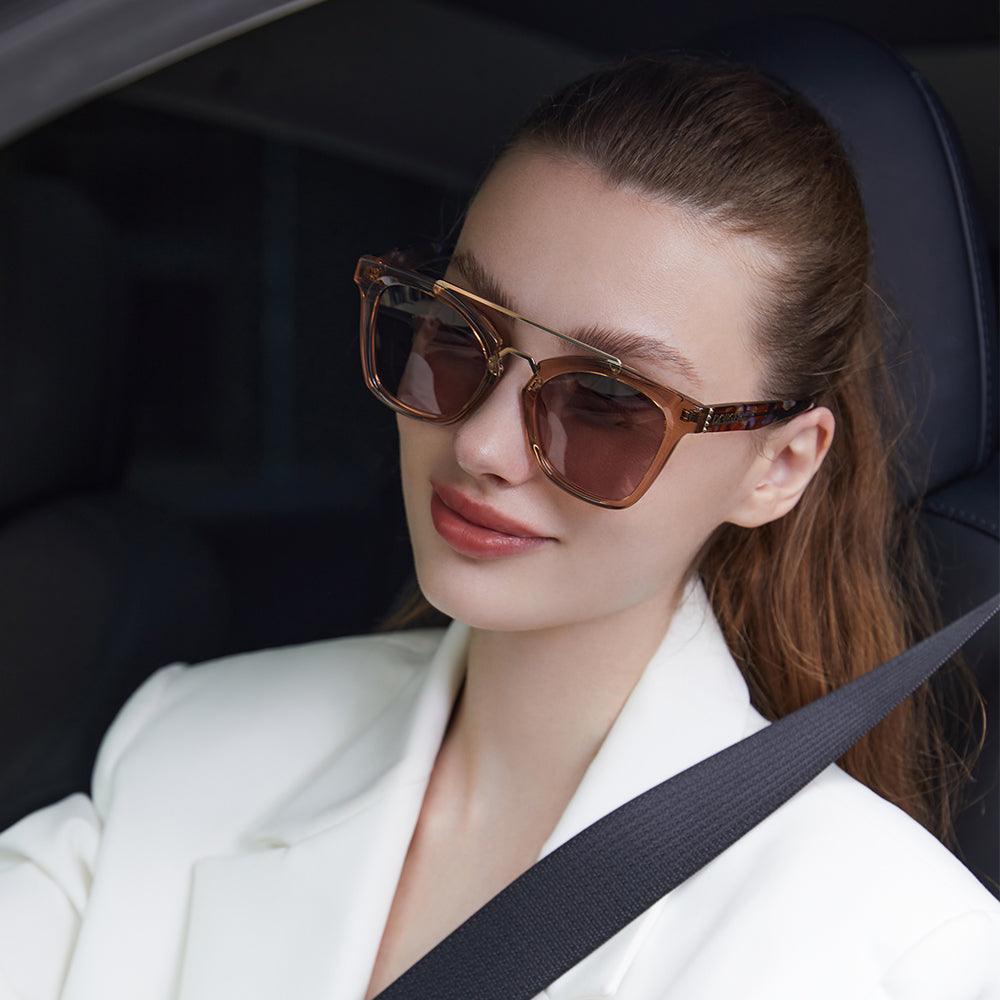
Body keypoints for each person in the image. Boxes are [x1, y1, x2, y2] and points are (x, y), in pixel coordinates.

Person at [1, 50, 998, 1000]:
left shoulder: (896, 949)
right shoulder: (189, 743)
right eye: (458, 332)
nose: (480, 443)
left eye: (607, 400)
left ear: (778, 466)